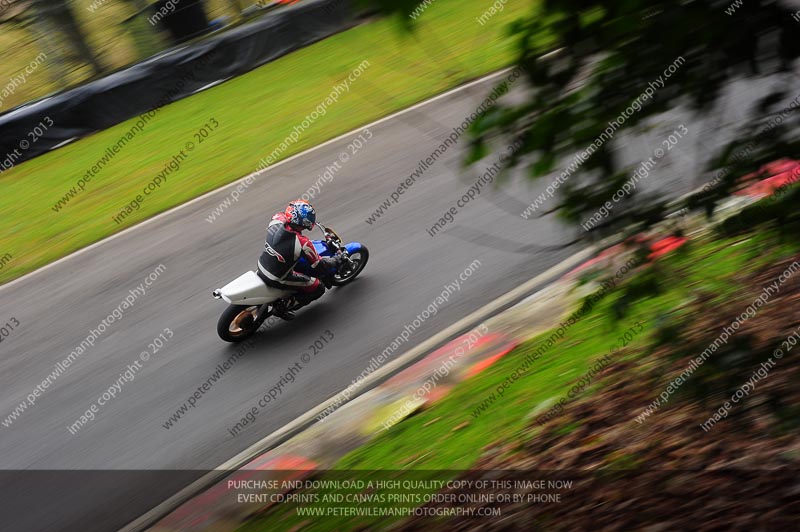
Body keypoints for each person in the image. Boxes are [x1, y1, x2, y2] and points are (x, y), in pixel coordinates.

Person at [257, 200, 339, 320]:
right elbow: (319, 265)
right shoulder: (303, 242)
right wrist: (337, 259)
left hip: (262, 264)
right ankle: (283, 308)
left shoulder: (276, 220)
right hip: (277, 277)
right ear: (303, 222)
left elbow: (281, 214)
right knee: (318, 287)